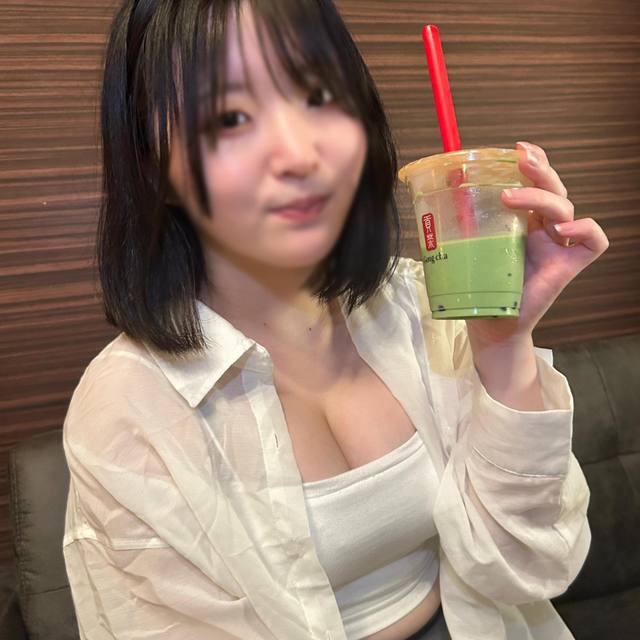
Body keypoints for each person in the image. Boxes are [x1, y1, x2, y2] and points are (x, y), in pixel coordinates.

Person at [61, 1, 609, 639]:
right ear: (154, 167)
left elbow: (529, 568)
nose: (300, 154)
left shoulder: (417, 301)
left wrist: (503, 343)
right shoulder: (126, 411)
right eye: (229, 117)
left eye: (319, 96)